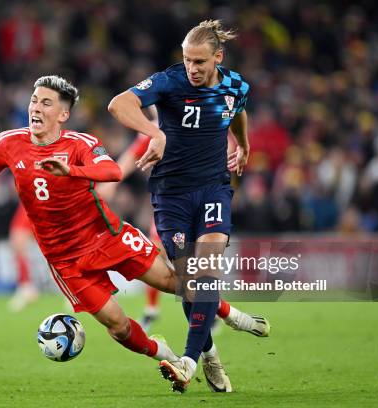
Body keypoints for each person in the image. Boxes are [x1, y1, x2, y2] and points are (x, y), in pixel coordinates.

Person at [0, 75, 182, 371]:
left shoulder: (82, 144)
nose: (36, 108)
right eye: (34, 101)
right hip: (65, 259)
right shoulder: (9, 143)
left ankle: (218, 325)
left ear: (63, 115)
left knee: (170, 281)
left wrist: (71, 171)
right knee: (117, 326)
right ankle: (165, 354)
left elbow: (113, 171)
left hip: (105, 235)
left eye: (46, 103)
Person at [108, 20, 270, 393]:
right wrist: (155, 132)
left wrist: (242, 144)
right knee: (188, 282)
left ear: (218, 57)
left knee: (205, 271)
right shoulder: (170, 81)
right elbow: (119, 104)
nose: (192, 69)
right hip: (171, 195)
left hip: (214, 189)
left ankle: (187, 362)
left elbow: (238, 108)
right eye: (186, 60)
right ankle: (210, 354)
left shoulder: (235, 85)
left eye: (199, 62)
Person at [99, 129, 267, 337]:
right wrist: (113, 179)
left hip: (202, 203)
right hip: (170, 205)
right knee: (159, 253)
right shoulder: (156, 128)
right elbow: (133, 153)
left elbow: (229, 151)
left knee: (199, 263)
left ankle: (211, 313)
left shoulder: (209, 122)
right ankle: (153, 310)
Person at [7, 204, 40, 312]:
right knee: (18, 239)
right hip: (32, 195)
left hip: (43, 195)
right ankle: (26, 286)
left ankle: (26, 287)